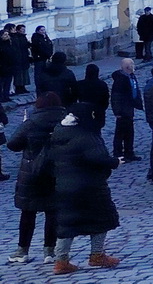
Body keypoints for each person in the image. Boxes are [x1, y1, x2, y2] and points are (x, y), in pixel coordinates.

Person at [47, 104, 120, 272]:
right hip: (90, 186)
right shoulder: (87, 136)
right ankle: (97, 255)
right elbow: (99, 158)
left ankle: (61, 261)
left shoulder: (58, 134)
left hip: (64, 186)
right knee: (102, 219)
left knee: (67, 223)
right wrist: (115, 162)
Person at [6, 91, 64, 264]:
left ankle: (23, 250)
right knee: (52, 211)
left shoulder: (32, 122)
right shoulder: (65, 119)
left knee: (28, 211)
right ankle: (49, 250)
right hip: (56, 170)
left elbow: (12, 144)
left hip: (31, 172)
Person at [109, 59, 142, 165]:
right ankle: (118, 154)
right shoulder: (120, 80)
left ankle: (129, 152)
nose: (134, 66)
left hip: (129, 108)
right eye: (132, 64)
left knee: (129, 132)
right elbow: (116, 97)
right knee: (120, 133)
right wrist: (117, 112)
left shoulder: (131, 76)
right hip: (123, 110)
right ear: (128, 67)